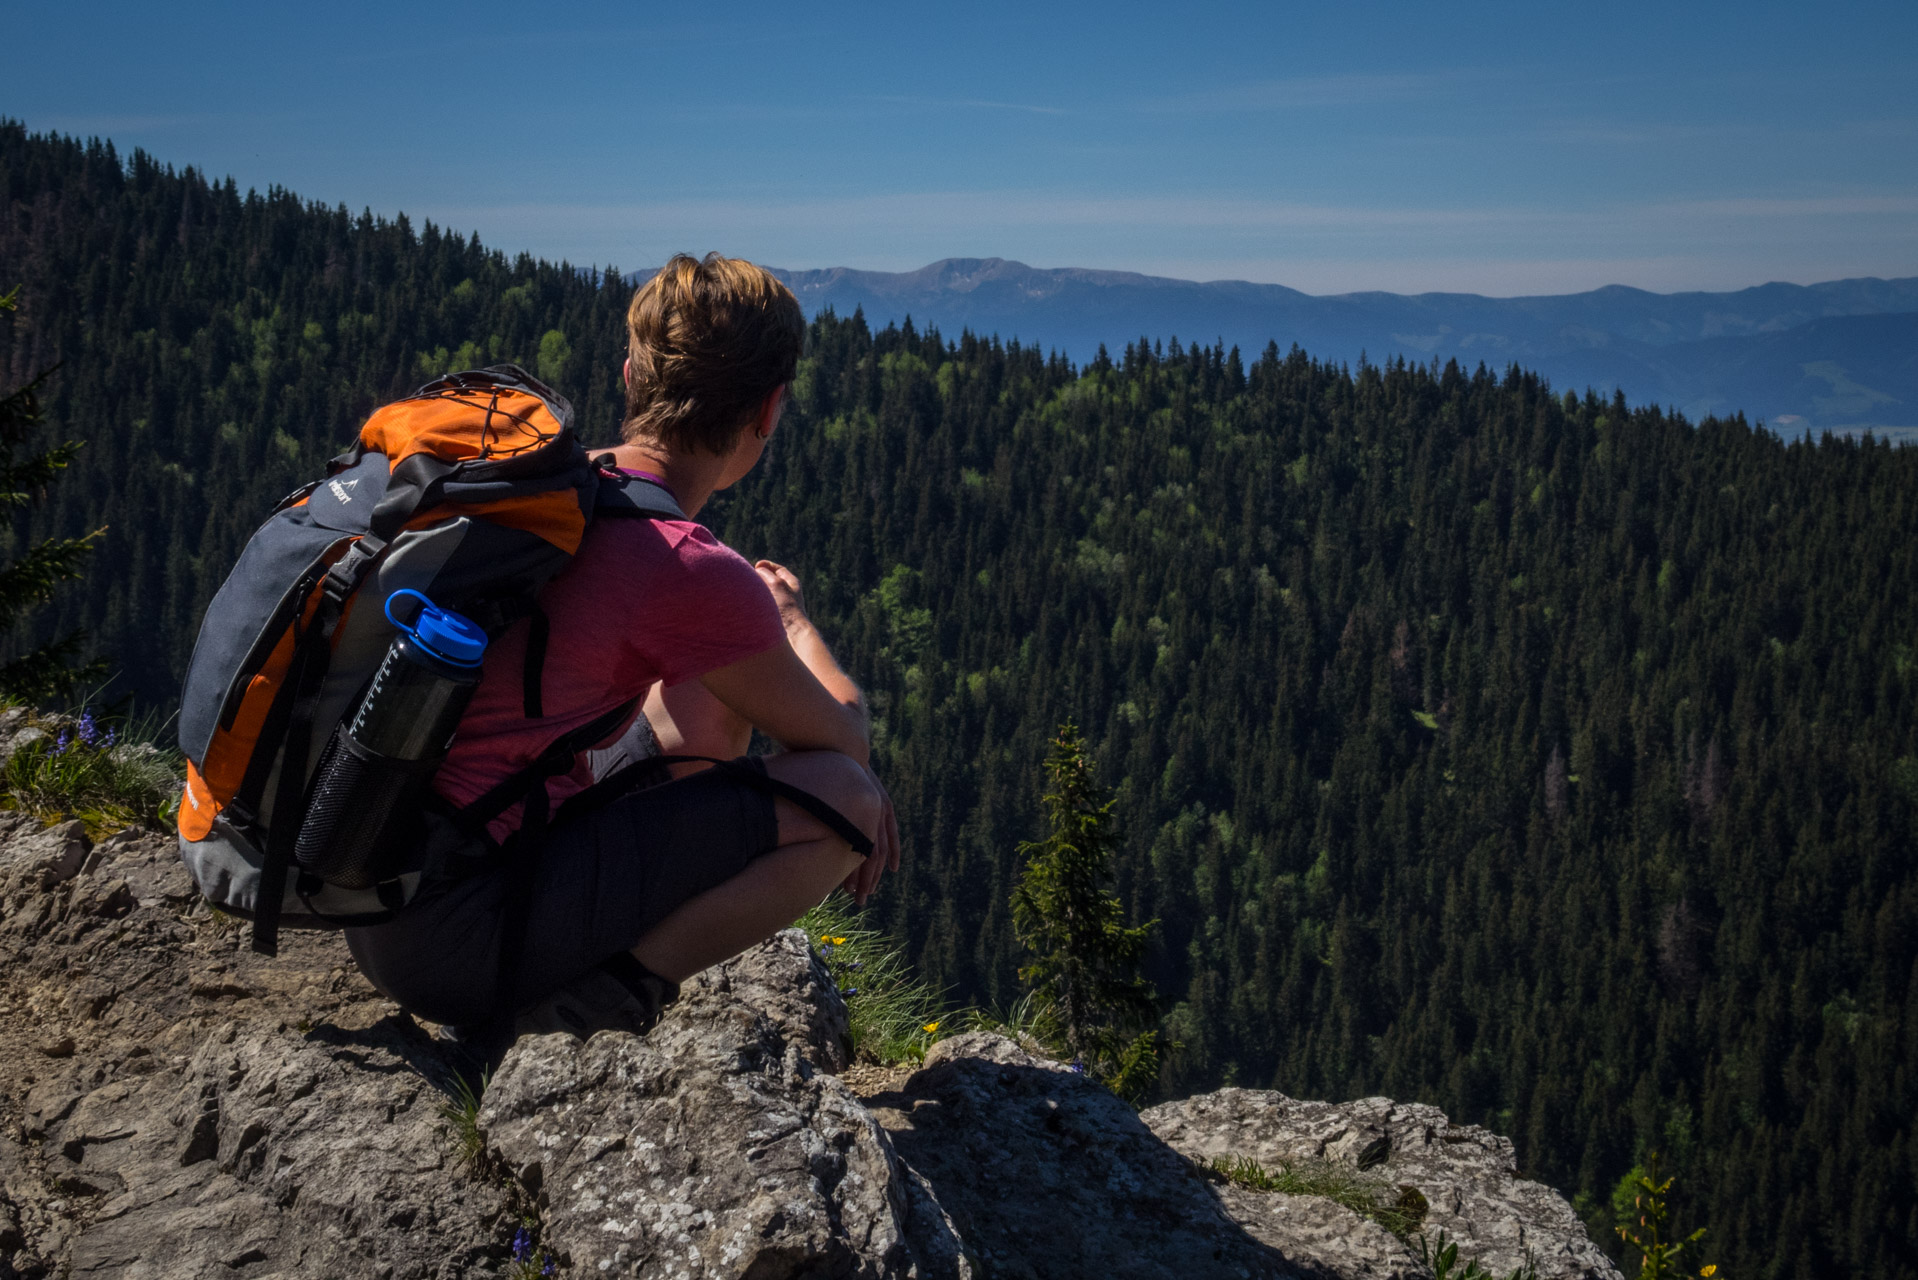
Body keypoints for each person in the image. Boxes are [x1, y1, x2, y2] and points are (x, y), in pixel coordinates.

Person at [344, 252, 898, 1045]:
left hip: (375, 875)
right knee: (844, 802)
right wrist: (793, 624)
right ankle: (592, 1010)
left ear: (632, 375)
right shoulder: (685, 565)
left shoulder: (554, 489)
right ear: (768, 411)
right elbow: (845, 747)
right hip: (460, 937)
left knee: (714, 690)